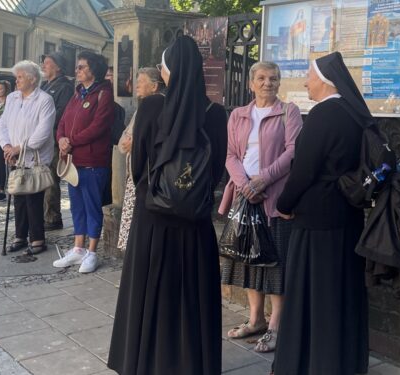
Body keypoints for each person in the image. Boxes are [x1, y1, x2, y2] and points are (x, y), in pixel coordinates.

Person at [107, 35, 228, 374]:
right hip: (195, 221)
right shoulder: (215, 113)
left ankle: (146, 360)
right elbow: (216, 169)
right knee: (191, 294)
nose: (160, 71)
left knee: (152, 291)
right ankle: (191, 362)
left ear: (171, 70)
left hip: (153, 217)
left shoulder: (151, 107)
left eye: (162, 66)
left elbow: (138, 165)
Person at [273, 52, 369, 375]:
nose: (305, 82)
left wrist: (283, 205)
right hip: (349, 219)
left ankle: (312, 364)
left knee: (315, 299)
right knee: (342, 295)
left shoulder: (323, 115)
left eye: (309, 76)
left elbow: (303, 172)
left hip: (316, 224)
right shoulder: (354, 113)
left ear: (325, 81)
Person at [218, 61, 302, 353]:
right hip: (245, 196)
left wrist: (262, 180)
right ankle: (255, 319)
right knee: (248, 259)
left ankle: (276, 326)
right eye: (263, 78)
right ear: (251, 83)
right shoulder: (238, 116)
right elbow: (230, 155)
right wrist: (244, 184)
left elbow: (293, 152)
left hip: (274, 198)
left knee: (276, 262)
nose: (269, 83)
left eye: (274, 78)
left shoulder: (288, 112)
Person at [52, 51, 114, 274]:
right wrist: (61, 139)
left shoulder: (104, 93)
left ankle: (92, 251)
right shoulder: (77, 93)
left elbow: (98, 127)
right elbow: (63, 121)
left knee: (92, 207)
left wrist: (72, 142)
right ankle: (78, 248)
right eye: (77, 67)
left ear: (93, 70)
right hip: (74, 161)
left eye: (81, 67)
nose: (76, 71)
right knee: (77, 206)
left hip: (93, 161)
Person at [0, 61, 56, 254]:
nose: (17, 81)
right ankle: (20, 236)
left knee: (33, 198)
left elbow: (43, 133)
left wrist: (19, 148)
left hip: (34, 158)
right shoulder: (13, 98)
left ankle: (37, 239)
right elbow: (3, 125)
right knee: (18, 197)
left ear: (32, 79)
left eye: (20, 77)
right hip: (15, 156)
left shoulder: (44, 100)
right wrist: (6, 146)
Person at [116, 67, 165, 251]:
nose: (137, 85)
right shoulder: (140, 108)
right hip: (133, 173)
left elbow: (149, 141)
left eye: (141, 81)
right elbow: (122, 141)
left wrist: (134, 144)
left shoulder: (156, 106)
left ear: (154, 86)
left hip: (144, 175)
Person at [40, 52, 74, 231]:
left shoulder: (65, 87)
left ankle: (52, 218)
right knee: (41, 178)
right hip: (43, 139)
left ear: (58, 67)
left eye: (47, 63)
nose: (43, 66)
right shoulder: (45, 85)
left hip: (54, 139)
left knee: (51, 179)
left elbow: (61, 114)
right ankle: (43, 214)